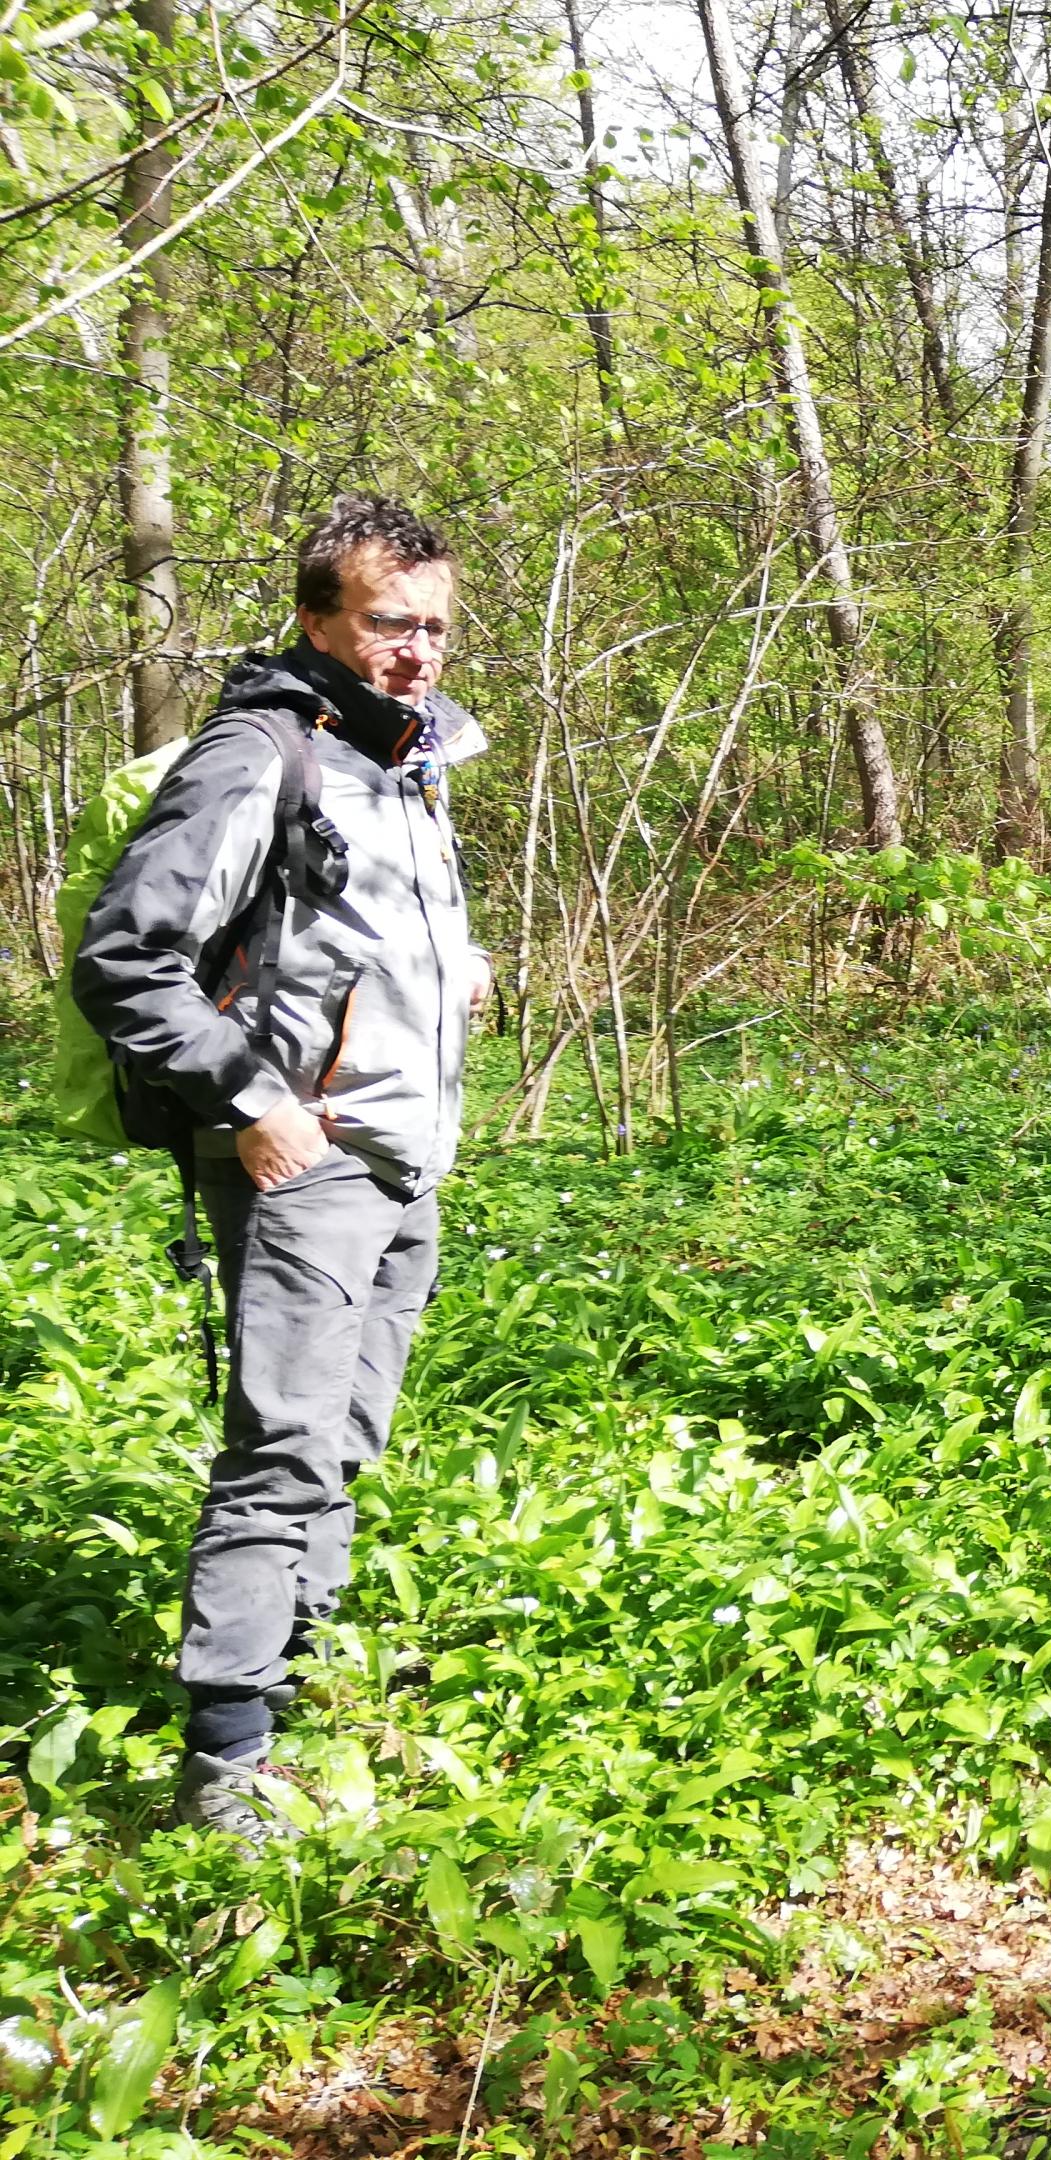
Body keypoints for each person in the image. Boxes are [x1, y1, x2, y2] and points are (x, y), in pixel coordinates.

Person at [74, 494, 488, 1840]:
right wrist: (256, 1099)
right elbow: (124, 961)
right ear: (319, 618)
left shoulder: (405, 758)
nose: (416, 651)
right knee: (285, 1451)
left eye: (433, 627)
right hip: (303, 1161)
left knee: (344, 1443)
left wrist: (451, 977)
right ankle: (227, 1769)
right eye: (387, 624)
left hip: (400, 1158)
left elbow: (345, 936)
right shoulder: (261, 752)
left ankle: (300, 1689)